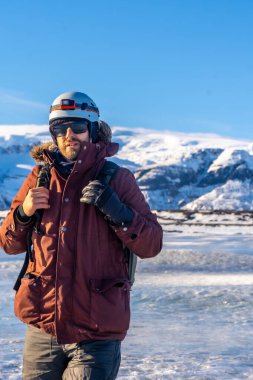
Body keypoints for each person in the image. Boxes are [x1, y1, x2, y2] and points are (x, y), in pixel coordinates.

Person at [0, 91, 163, 379]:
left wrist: (118, 211)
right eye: (59, 129)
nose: (68, 135)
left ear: (92, 129)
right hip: (42, 328)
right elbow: (8, 244)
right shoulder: (39, 178)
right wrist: (23, 212)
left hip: (96, 332)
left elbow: (152, 244)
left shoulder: (117, 178)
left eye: (76, 127)